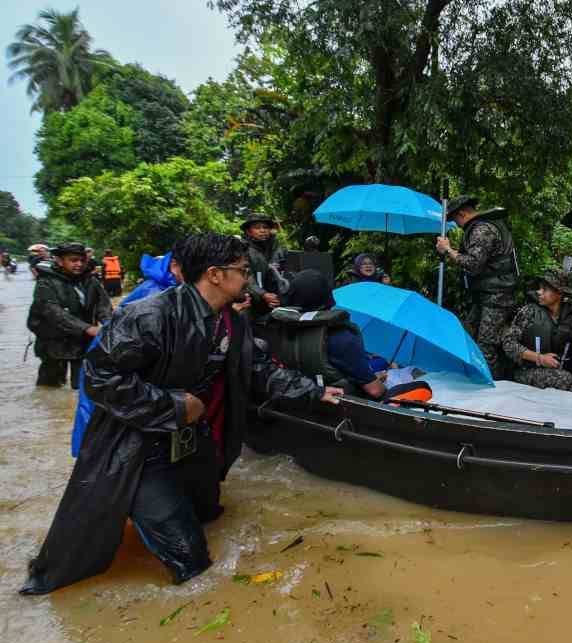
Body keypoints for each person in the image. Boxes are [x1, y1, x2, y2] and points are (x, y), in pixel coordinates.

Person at [20, 233, 343, 595]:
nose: (248, 279)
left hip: (188, 439)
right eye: (242, 271)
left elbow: (260, 370)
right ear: (215, 275)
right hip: (137, 449)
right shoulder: (148, 315)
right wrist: (172, 405)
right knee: (193, 564)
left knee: (209, 513)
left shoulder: (231, 322)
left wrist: (314, 392)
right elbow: (99, 376)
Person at [70, 240, 188, 457]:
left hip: (110, 358)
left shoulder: (173, 289)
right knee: (103, 434)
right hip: (108, 363)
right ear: (175, 266)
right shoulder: (156, 293)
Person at [265, 269, 387, 399]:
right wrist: (378, 381)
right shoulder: (341, 336)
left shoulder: (279, 329)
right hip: (341, 407)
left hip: (296, 400)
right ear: (328, 296)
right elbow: (375, 391)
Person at [435, 195, 518, 379]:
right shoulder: (484, 226)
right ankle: (474, 374)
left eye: (455, 219)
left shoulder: (481, 229)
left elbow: (473, 264)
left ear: (462, 213)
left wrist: (448, 250)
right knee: (468, 332)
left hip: (496, 296)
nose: (456, 224)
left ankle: (494, 387)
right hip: (486, 295)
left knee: (487, 345)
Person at [26, 242, 112, 389]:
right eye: (73, 260)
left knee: (83, 386)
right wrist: (88, 328)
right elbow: (55, 314)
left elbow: (103, 307)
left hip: (82, 341)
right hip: (53, 342)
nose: (79, 264)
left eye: (82, 260)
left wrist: (110, 325)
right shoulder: (45, 283)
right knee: (50, 389)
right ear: (60, 261)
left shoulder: (91, 281)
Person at [242, 212, 288, 322]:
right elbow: (246, 277)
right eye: (257, 228)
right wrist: (263, 294)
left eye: (266, 227)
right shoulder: (243, 250)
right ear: (248, 231)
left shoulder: (277, 248)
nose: (262, 230)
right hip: (252, 302)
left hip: (276, 300)